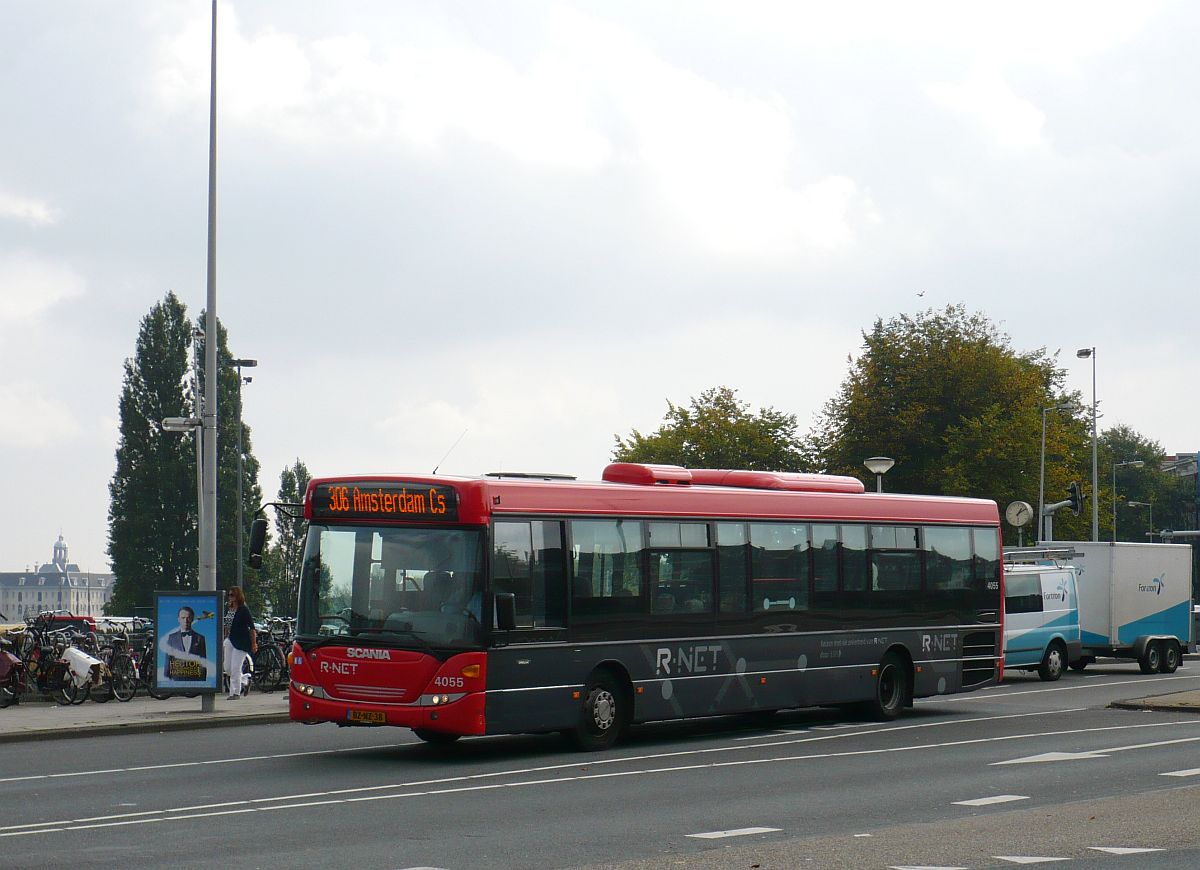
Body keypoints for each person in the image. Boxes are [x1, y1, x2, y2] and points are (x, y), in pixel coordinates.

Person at [223, 587, 257, 700]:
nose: (230, 597)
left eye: (232, 595)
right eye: (229, 595)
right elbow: (226, 625)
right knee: (227, 668)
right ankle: (245, 680)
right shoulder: (229, 609)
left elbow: (252, 627)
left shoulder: (243, 610)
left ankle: (235, 693)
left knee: (235, 667)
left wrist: (253, 643)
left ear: (238, 596)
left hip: (242, 641)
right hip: (230, 639)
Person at [165, 606, 208, 680]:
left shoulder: (200, 638)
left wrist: (203, 680)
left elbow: (203, 661)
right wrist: (167, 679)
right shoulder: (172, 638)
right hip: (177, 679)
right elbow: (168, 660)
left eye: (188, 618)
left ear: (192, 619)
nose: (186, 620)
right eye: (183, 618)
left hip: (195, 679)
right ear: (178, 619)